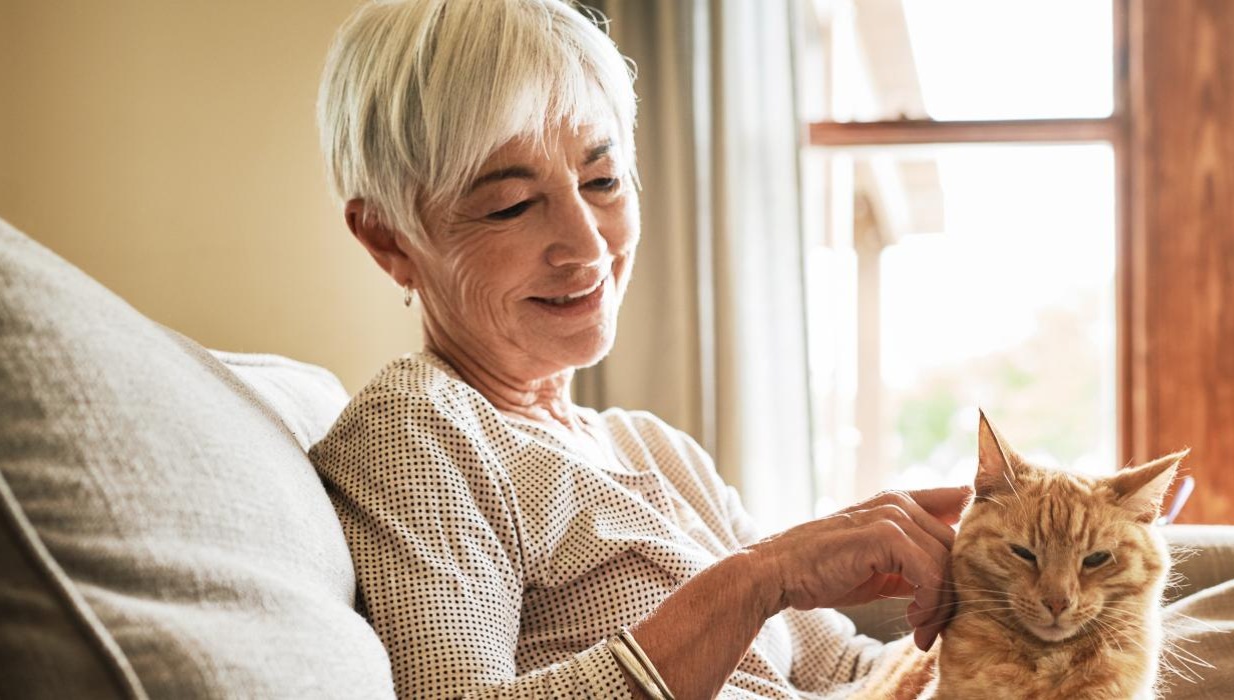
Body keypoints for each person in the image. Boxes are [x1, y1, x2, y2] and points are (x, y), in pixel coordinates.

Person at [308, 1, 966, 697]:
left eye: (602, 181)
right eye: (511, 205)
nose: (589, 246)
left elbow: (846, 671)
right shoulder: (415, 433)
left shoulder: (655, 450)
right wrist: (757, 579)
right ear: (387, 238)